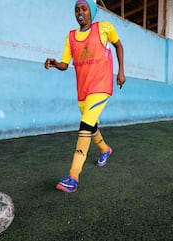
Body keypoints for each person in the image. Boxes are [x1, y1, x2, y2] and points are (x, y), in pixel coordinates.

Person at [44, 0, 126, 193]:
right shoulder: (71, 37)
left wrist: (121, 72)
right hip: (83, 90)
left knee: (85, 125)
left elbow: (119, 46)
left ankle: (73, 176)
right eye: (77, 10)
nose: (79, 13)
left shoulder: (104, 28)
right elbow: (65, 64)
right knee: (91, 125)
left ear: (92, 12)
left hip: (102, 85)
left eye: (84, 9)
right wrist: (55, 63)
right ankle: (105, 149)